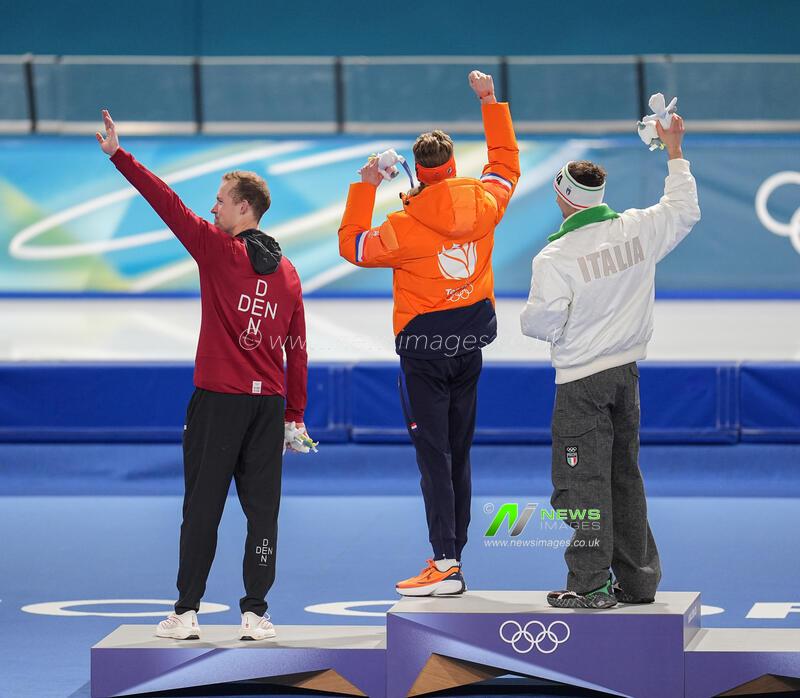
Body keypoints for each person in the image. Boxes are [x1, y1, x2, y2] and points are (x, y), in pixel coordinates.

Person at [96, 109, 314, 639]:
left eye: (220, 199)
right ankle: (256, 613)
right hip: (267, 409)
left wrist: (119, 156)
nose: (212, 207)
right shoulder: (288, 273)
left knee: (202, 508)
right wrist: (294, 416)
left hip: (219, 402)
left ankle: (187, 612)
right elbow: (298, 350)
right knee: (263, 513)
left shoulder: (218, 251)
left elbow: (167, 203)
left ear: (244, 207)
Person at [338, 71, 519, 596]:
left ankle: (444, 564)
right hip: (469, 345)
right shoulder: (486, 204)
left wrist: (367, 185)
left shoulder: (402, 228)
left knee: (433, 456)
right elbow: (505, 164)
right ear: (454, 167)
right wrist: (489, 101)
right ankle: (453, 556)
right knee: (458, 453)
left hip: (424, 353)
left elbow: (353, 245)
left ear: (417, 171)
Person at [520, 114, 700, 609]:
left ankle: (590, 584)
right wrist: (674, 149)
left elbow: (540, 323)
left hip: (581, 383)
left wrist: (554, 326)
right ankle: (638, 582)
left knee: (581, 486)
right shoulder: (637, 230)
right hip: (627, 376)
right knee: (624, 478)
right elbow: (684, 208)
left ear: (562, 197)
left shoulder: (555, 257)